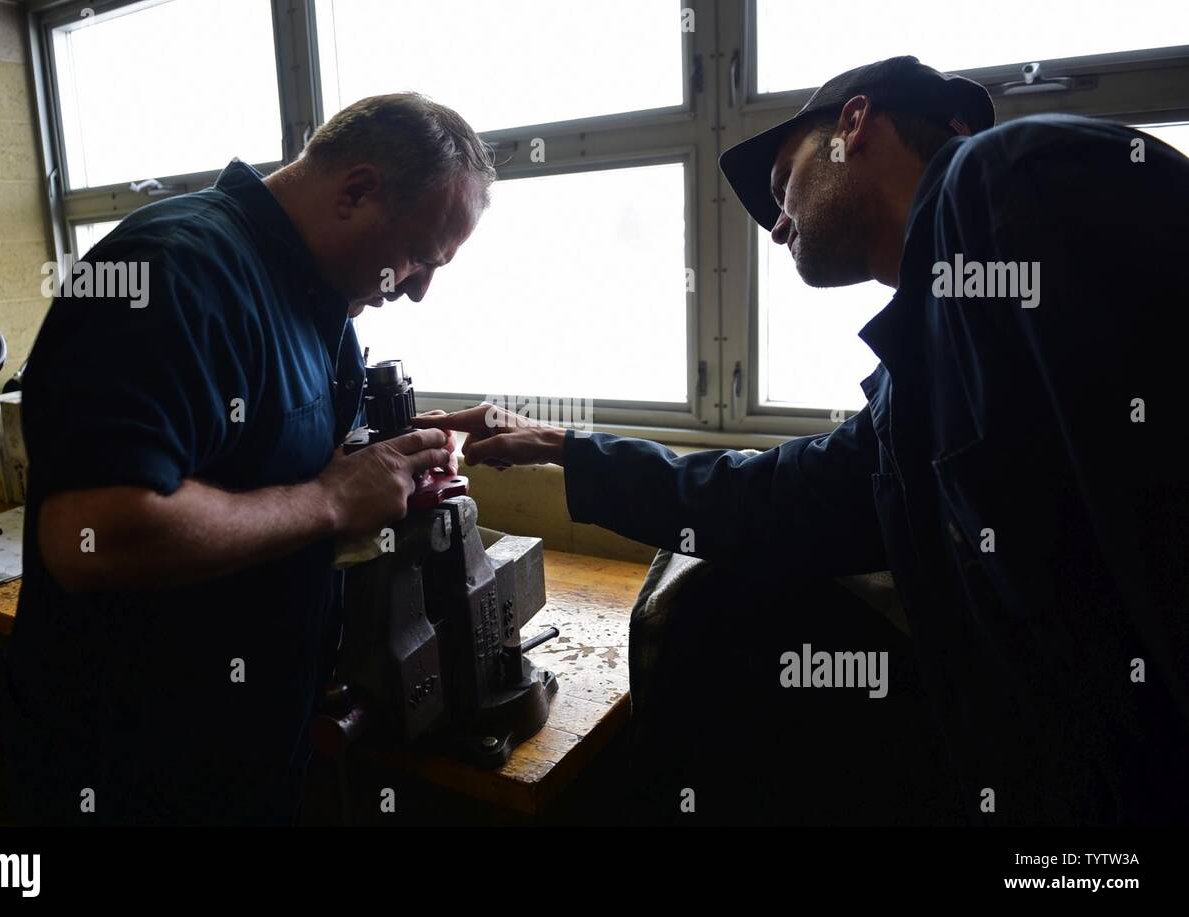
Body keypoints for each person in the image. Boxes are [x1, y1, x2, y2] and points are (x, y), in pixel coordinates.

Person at [417, 57, 1189, 825]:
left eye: (783, 183)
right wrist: (557, 443)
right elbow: (770, 495)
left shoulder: (1011, 179)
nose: (779, 223)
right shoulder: (917, 376)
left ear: (853, 126)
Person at [5, 92, 493, 825]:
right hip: (133, 761)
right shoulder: (175, 271)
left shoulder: (323, 297)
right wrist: (333, 501)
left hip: (252, 735)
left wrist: (391, 464)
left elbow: (274, 459)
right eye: (421, 257)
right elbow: (92, 535)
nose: (421, 289)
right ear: (356, 191)